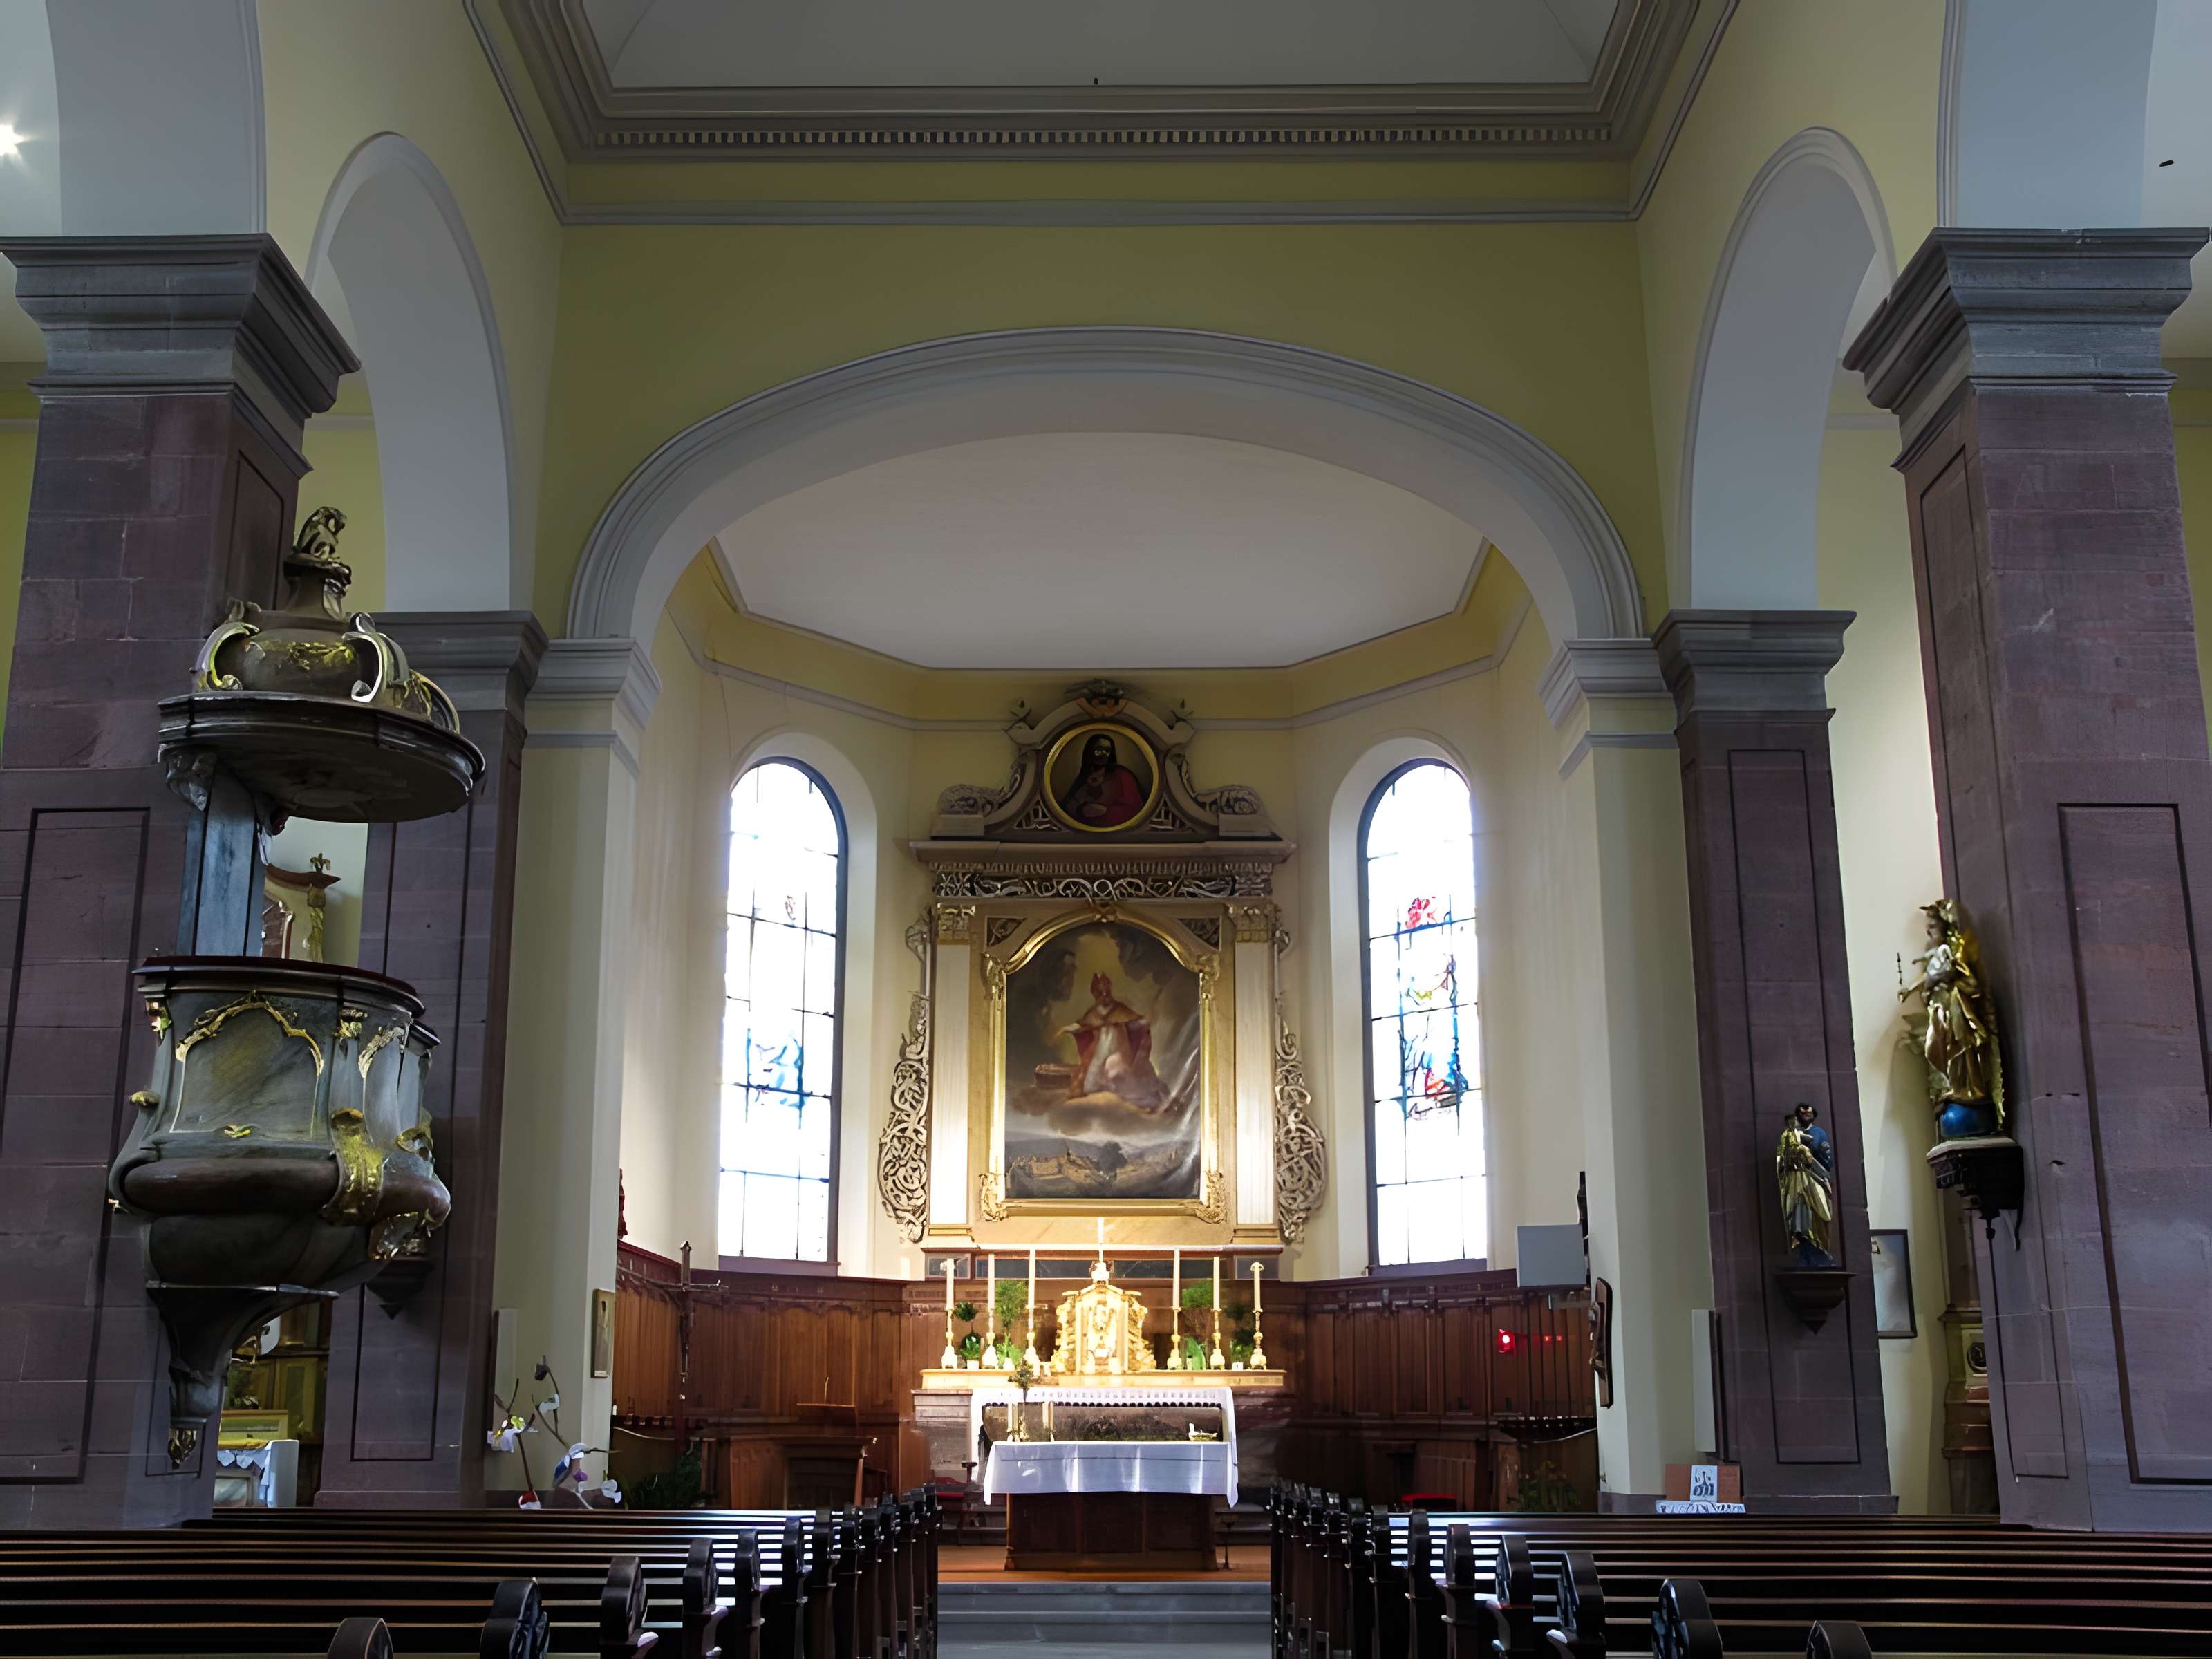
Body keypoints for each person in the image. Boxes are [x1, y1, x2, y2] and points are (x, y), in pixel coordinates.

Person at [1060, 971, 1168, 1111]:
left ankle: (1128, 1097)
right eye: (1100, 990)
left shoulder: (1119, 1009)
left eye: (1106, 989)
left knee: (1121, 1071)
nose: (1104, 993)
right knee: (1095, 1074)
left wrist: (1144, 1021)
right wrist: (1067, 1029)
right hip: (1101, 1047)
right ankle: (1098, 1095)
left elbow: (1134, 1021)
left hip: (1119, 1046)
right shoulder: (1095, 1012)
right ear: (1096, 992)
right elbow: (1083, 1025)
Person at [1774, 1102, 1837, 1267]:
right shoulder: (1789, 1134)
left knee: (1819, 1212)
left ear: (1813, 1116)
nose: (1805, 1117)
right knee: (1799, 1215)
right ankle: (1804, 1249)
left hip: (1815, 1178)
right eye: (1802, 1114)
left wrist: (1804, 1143)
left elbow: (1823, 1155)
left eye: (1809, 1114)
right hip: (1797, 1181)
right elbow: (1783, 1157)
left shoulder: (1818, 1132)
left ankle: (1821, 1250)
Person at [1059, 733, 1146, 825]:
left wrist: (1105, 811)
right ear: (1089, 752)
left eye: (1107, 750)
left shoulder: (1123, 775)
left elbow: (1135, 812)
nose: (1103, 754)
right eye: (1098, 750)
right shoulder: (1083, 777)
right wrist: (1081, 810)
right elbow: (1067, 809)